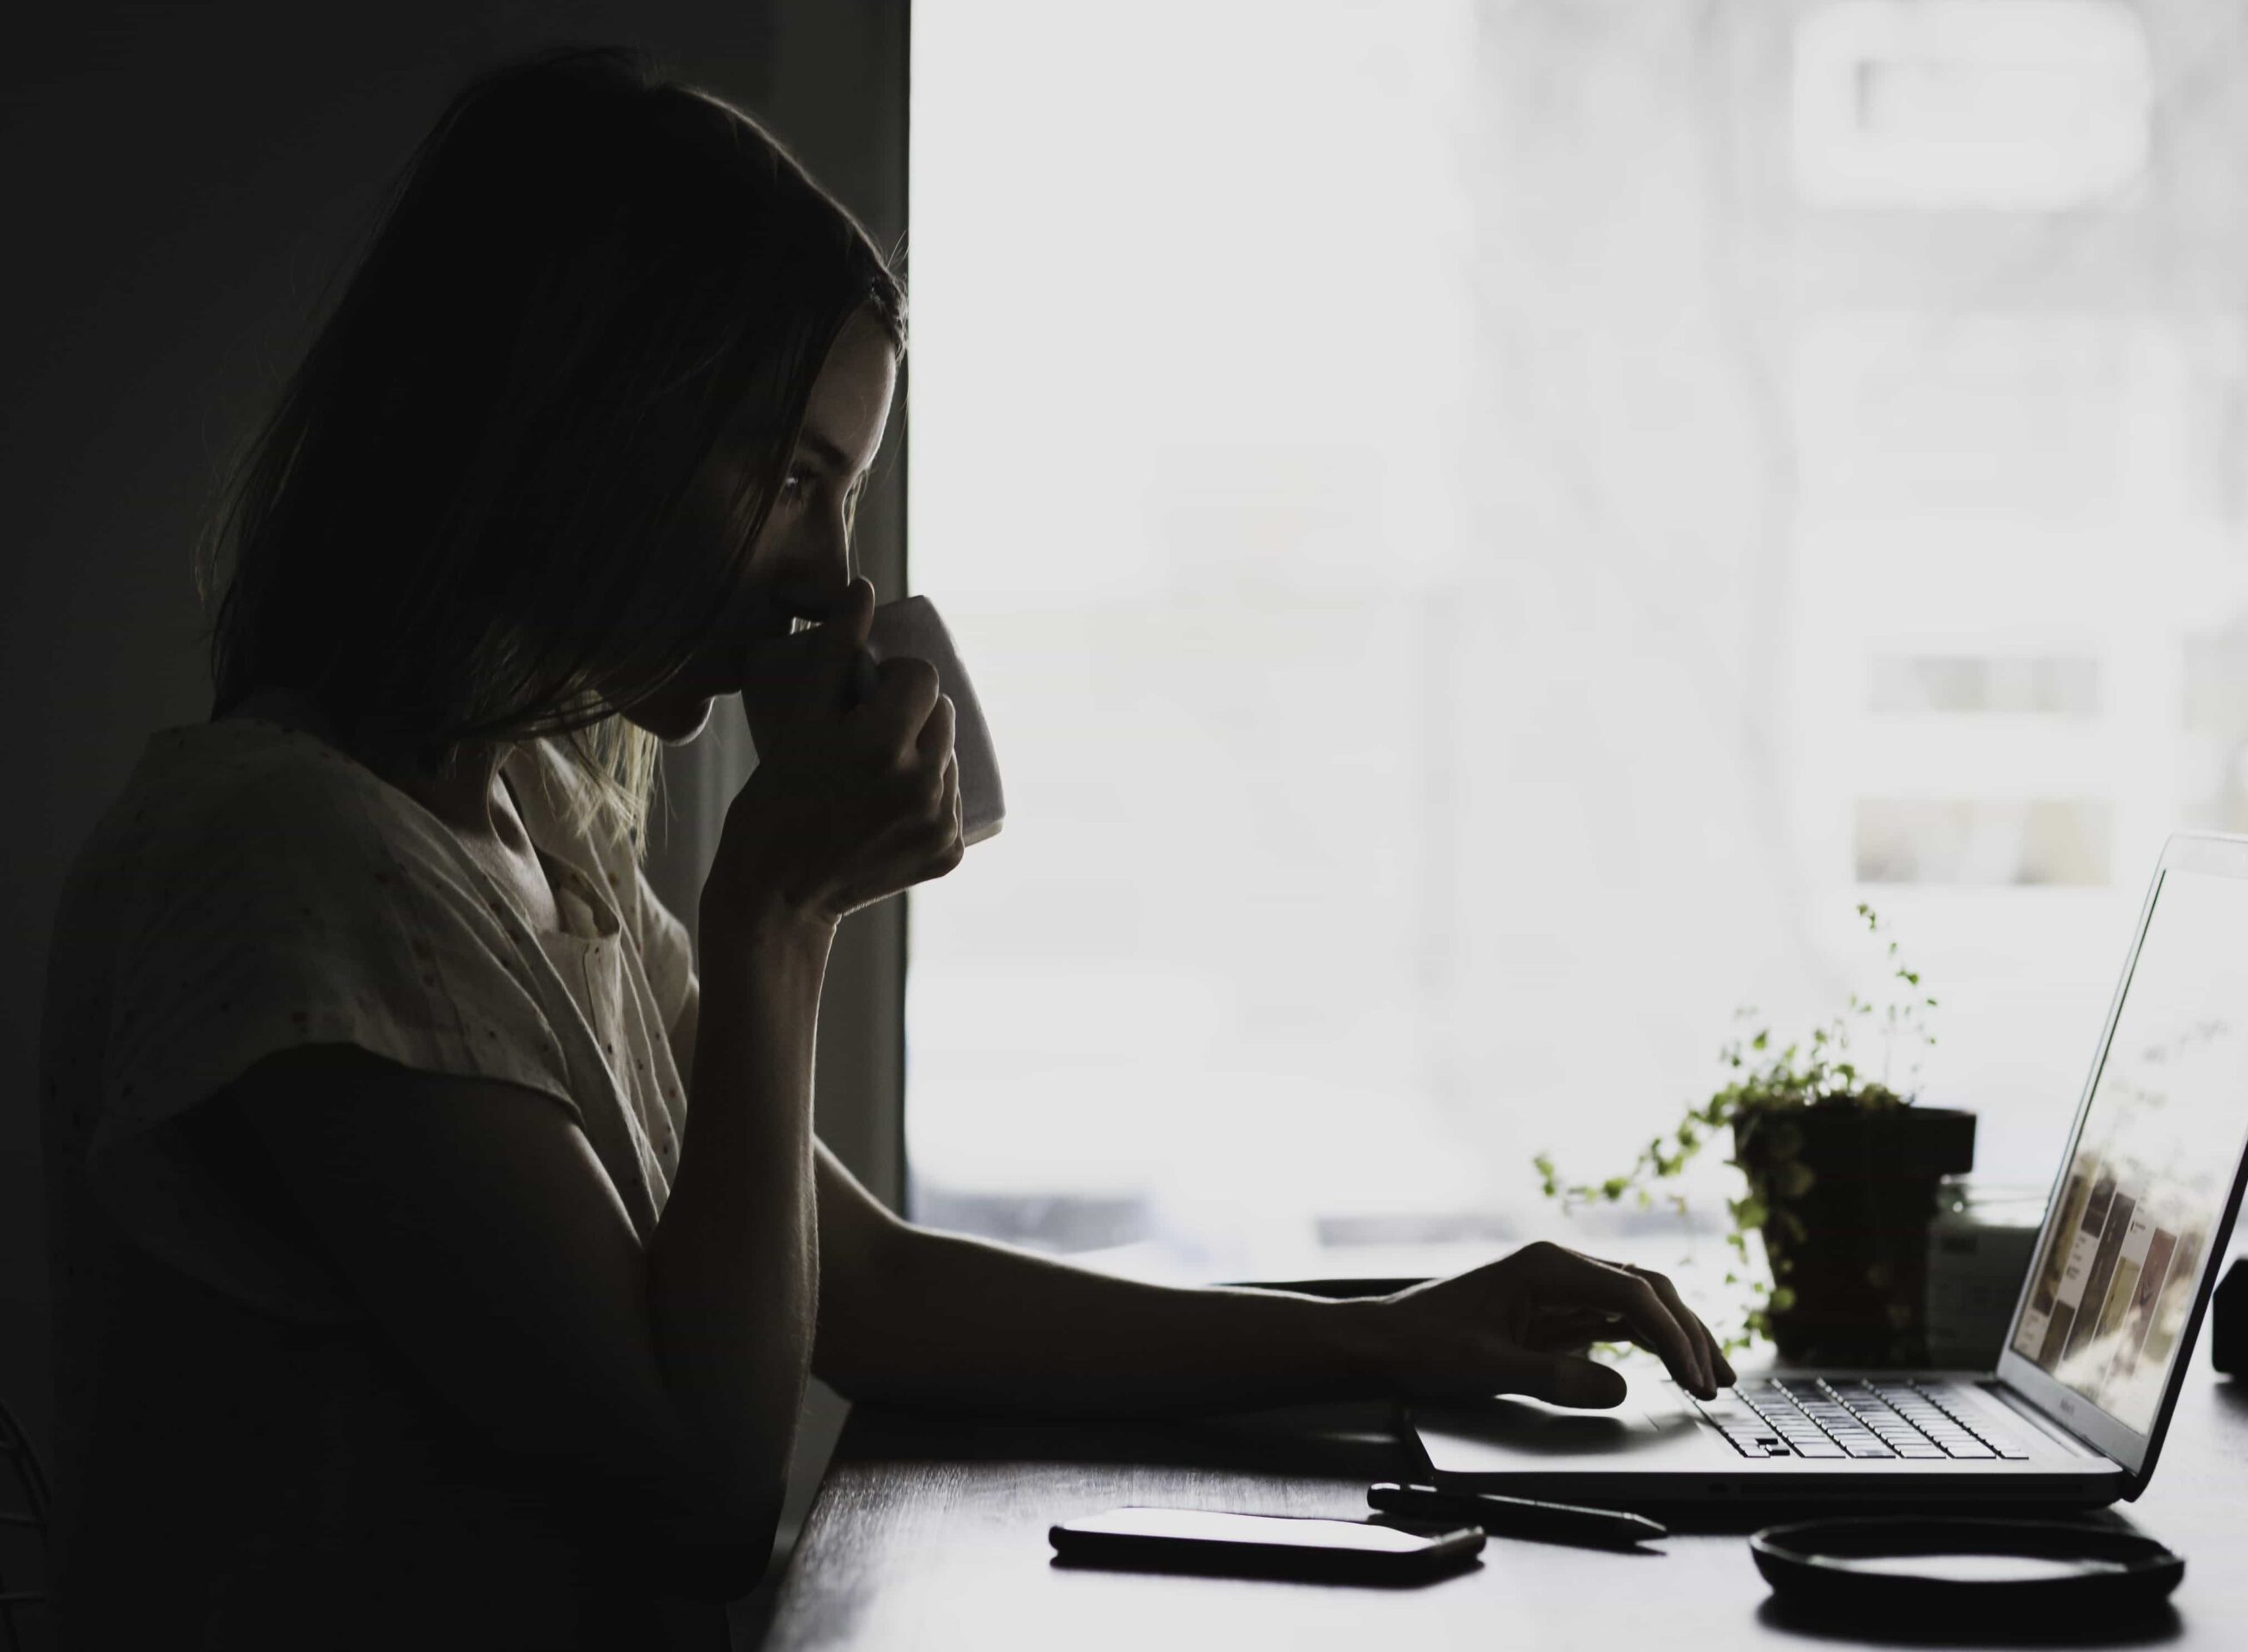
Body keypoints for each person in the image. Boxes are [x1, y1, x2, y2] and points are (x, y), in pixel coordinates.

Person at [36, 48, 1729, 1649]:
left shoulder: (531, 831)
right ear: (579, 429)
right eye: (791, 475)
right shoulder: (289, 863)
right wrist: (777, 909)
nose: (832, 582)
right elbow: (694, 1475)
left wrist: (1398, 1334)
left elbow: (866, 1287)